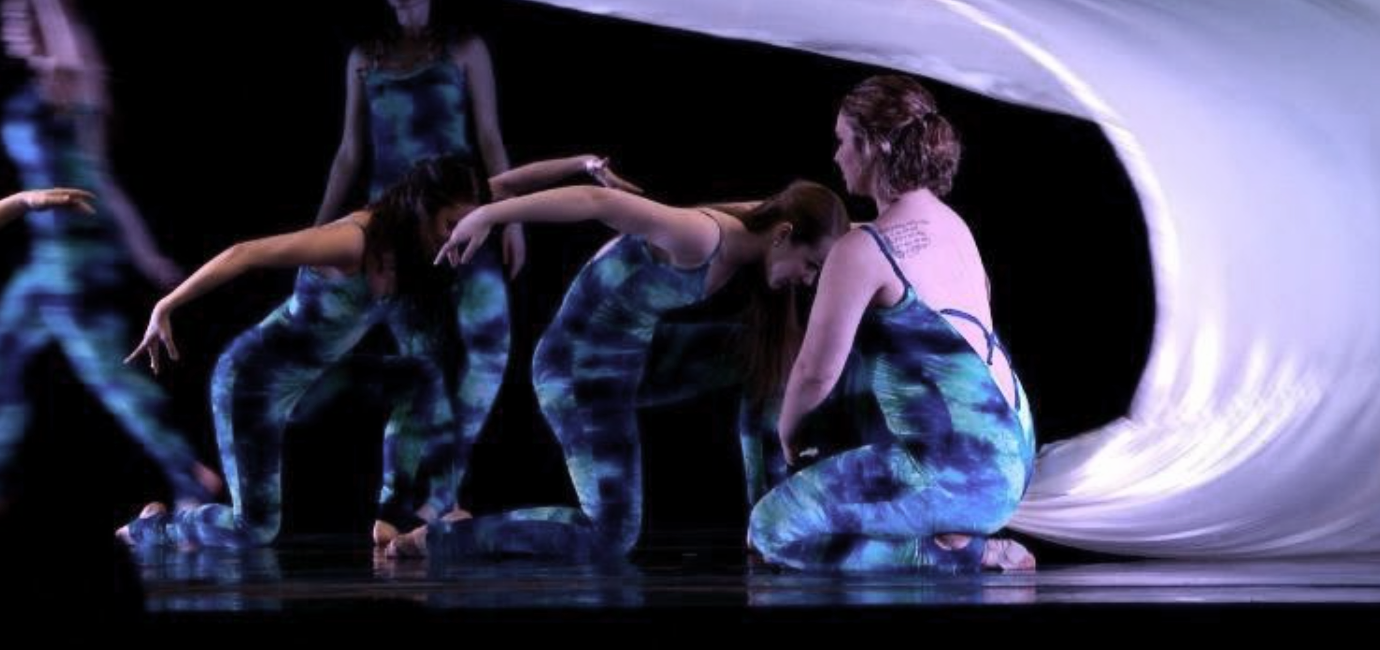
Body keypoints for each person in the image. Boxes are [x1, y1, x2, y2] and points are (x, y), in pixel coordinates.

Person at [387, 168, 850, 560]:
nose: (808, 281)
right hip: (577, 373)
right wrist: (488, 214)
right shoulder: (701, 237)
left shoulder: (760, 221)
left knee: (768, 362)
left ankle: (766, 521)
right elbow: (595, 201)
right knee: (610, 536)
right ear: (785, 235)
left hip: (632, 358)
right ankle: (446, 536)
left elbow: (852, 232)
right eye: (811, 266)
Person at [117, 154, 483, 549]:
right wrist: (166, 305)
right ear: (424, 208)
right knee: (254, 530)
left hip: (316, 381)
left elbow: (508, 189)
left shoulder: (404, 249)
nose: (454, 237)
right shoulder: (354, 239)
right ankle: (152, 527)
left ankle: (392, 515)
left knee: (419, 377)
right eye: (450, 225)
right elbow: (245, 253)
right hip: (253, 383)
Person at [749, 73, 1036, 572]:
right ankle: (951, 529)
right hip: (1012, 453)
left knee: (771, 529)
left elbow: (815, 373)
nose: (836, 156)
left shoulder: (865, 249)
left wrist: (790, 439)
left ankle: (962, 553)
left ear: (873, 145)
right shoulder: (954, 226)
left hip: (962, 471)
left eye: (842, 141)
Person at [0, 0, 219, 517]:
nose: (14, 28)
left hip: (77, 262)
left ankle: (191, 476)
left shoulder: (72, 83)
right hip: (44, 261)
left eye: (24, 20)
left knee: (110, 379)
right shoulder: (25, 94)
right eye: (6, 22)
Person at [315, 0, 523, 544]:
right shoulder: (366, 57)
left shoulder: (464, 49)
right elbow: (349, 153)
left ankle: (438, 496)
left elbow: (489, 137)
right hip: (399, 235)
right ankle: (393, 506)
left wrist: (511, 217)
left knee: (487, 351)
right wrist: (317, 233)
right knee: (421, 370)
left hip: (465, 221)